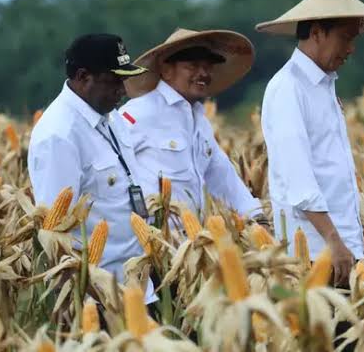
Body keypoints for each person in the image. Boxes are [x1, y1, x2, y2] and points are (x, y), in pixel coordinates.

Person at [256, 0, 364, 287]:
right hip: (314, 253)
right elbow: (299, 179)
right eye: (345, 37)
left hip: (341, 248)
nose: (351, 48)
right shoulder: (288, 89)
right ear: (316, 33)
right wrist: (333, 241)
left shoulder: (324, 86)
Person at [28, 34, 157, 303]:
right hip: (97, 297)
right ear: (83, 76)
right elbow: (55, 233)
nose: (122, 90)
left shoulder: (111, 117)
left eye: (124, 80)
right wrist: (72, 304)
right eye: (113, 81)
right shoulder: (59, 135)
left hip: (137, 286)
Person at [121, 28, 262, 221]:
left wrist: (257, 216)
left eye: (207, 67)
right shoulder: (139, 113)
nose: (203, 73)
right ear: (166, 70)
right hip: (152, 240)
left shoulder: (200, 121)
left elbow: (222, 177)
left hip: (190, 244)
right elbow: (110, 174)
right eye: (193, 66)